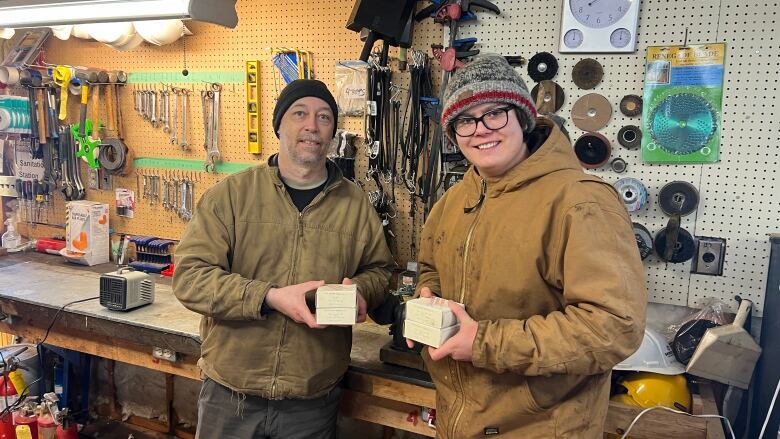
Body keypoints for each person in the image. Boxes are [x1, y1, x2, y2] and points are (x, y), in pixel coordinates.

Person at [410, 54, 647, 438]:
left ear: (522, 117)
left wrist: (485, 342)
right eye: (465, 120)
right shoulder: (452, 202)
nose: (481, 130)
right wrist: (429, 297)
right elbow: (431, 269)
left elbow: (614, 328)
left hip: (539, 426)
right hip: (458, 419)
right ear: (452, 134)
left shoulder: (580, 201)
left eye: (495, 113)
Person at [173, 79, 394, 439]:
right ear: (279, 125)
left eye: (324, 117)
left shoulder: (356, 206)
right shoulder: (230, 196)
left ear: (333, 133)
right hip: (231, 394)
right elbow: (190, 278)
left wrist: (363, 291)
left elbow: (380, 271)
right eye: (300, 114)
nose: (312, 126)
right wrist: (269, 297)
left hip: (311, 399)